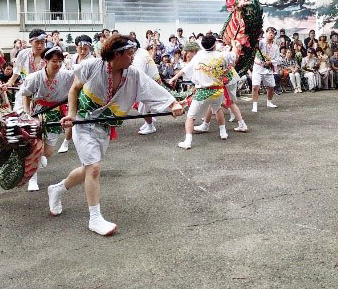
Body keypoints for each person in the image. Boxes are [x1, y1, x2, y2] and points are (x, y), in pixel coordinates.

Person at [48, 35, 183, 236]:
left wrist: (173, 104)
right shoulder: (93, 65)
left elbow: (151, 88)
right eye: (129, 54)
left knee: (88, 169)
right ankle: (95, 219)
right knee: (94, 168)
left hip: (105, 128)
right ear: (117, 54)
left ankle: (57, 189)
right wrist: (71, 114)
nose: (132, 57)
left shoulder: (133, 74)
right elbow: (74, 89)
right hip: (83, 123)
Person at [22, 47, 75, 191]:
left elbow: (82, 77)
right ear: (46, 61)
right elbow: (26, 95)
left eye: (60, 61)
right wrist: (27, 114)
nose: (57, 64)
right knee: (35, 147)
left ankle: (40, 156)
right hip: (38, 113)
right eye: (54, 61)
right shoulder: (34, 77)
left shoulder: (67, 75)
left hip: (56, 114)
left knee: (49, 151)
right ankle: (33, 179)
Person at [176, 35, 241, 149]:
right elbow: (235, 55)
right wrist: (233, 44)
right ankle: (223, 132)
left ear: (202, 45)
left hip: (203, 92)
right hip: (218, 91)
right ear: (214, 45)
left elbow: (186, 68)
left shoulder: (199, 56)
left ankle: (188, 141)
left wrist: (174, 78)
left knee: (190, 117)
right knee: (217, 109)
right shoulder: (222, 55)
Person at [4, 29, 47, 112]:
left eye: (42, 43)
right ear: (30, 42)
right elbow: (17, 71)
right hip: (26, 88)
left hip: (44, 91)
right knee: (20, 114)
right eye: (37, 42)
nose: (40, 46)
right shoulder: (23, 54)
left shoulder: (49, 55)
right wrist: (9, 83)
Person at [251, 27, 280, 112]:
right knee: (255, 86)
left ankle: (269, 102)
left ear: (274, 35)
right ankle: (254, 105)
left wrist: (270, 61)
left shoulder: (275, 46)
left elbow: (278, 59)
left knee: (271, 87)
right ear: (266, 33)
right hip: (258, 67)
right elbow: (255, 47)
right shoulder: (260, 42)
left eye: (273, 33)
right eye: (269, 32)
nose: (271, 34)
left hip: (268, 68)